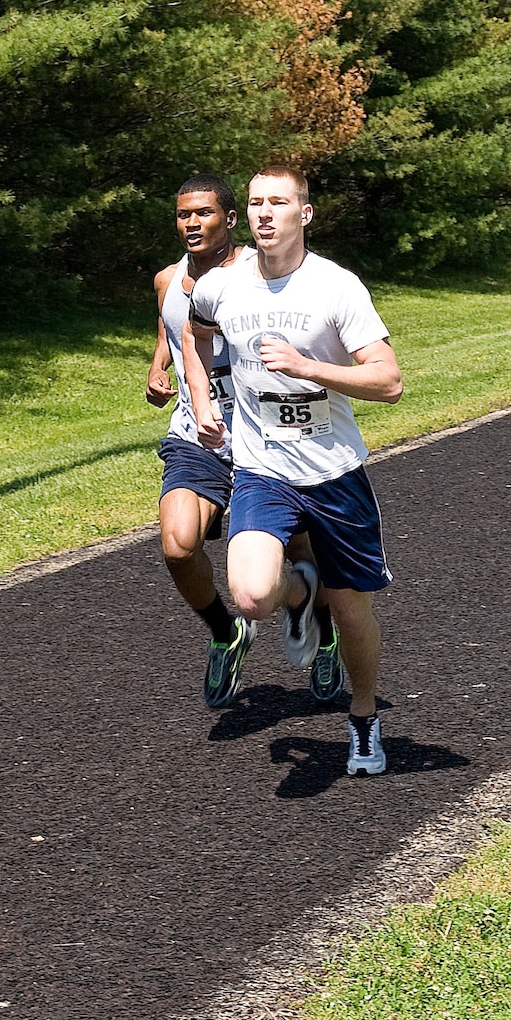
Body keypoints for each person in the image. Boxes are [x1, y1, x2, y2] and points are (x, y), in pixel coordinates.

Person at [184, 166, 403, 776]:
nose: (264, 213)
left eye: (279, 202)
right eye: (256, 202)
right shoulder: (222, 287)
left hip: (335, 475)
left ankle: (363, 718)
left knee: (354, 610)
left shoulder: (336, 288)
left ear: (304, 214)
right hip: (261, 470)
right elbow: (193, 334)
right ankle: (297, 592)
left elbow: (388, 381)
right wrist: (202, 399)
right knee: (251, 595)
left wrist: (309, 369)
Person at [146, 176, 261, 708]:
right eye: (182, 214)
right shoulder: (167, 279)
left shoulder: (258, 273)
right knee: (178, 545)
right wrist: (157, 368)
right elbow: (172, 329)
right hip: (196, 432)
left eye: (203, 213)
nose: (190, 223)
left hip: (265, 433)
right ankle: (225, 632)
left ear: (229, 219)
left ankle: (325, 627)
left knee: (300, 551)